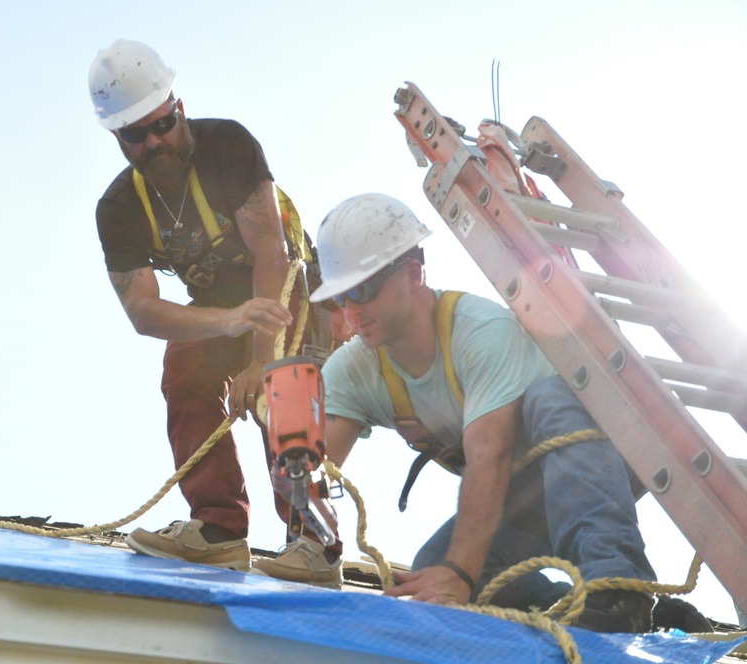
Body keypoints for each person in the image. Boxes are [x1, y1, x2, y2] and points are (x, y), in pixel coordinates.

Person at [308, 192, 658, 632]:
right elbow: (315, 473)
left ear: (413, 274)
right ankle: (594, 611)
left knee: (551, 398)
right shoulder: (354, 370)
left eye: (363, 290)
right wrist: (292, 451)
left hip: (599, 461)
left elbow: (489, 455)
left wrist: (461, 573)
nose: (351, 310)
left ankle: (618, 590)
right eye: (340, 297)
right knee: (433, 567)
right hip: (527, 492)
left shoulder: (479, 332)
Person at [89, 39, 339, 586]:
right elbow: (143, 311)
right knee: (184, 369)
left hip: (284, 283)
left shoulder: (227, 146)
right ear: (117, 136)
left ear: (179, 106)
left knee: (282, 380)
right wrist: (226, 322)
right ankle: (220, 530)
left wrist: (257, 358)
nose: (155, 141)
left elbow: (271, 252)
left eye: (163, 123)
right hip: (219, 305)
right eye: (137, 135)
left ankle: (314, 541)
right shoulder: (120, 209)